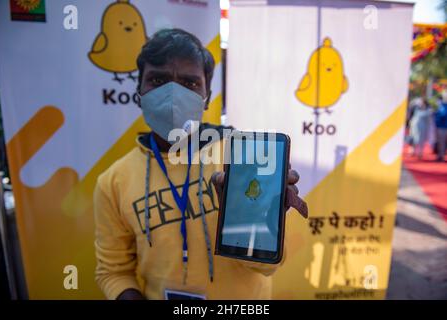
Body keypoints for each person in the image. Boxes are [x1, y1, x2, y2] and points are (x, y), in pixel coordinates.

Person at [93, 28, 308, 300]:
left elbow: (267, 267)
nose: (173, 94)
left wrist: (259, 223)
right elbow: (113, 271)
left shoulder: (244, 160)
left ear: (206, 98)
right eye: (158, 80)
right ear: (139, 93)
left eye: (190, 83)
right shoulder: (113, 182)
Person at [434, 90, 447, 162]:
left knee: (441, 143)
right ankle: (440, 156)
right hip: (441, 127)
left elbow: (442, 115)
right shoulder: (441, 105)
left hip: (442, 127)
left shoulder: (442, 106)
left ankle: (440, 156)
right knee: (441, 143)